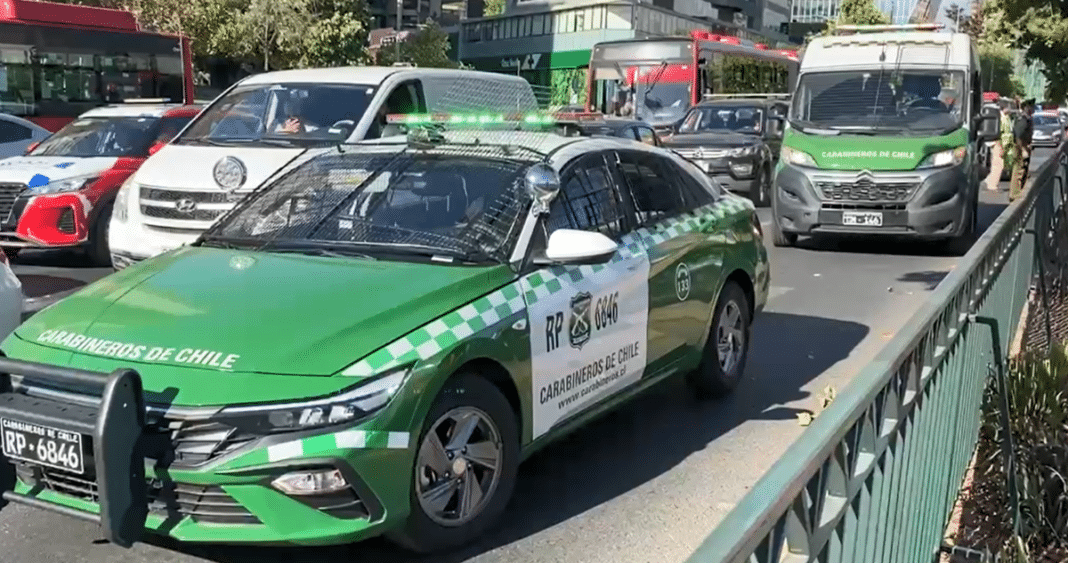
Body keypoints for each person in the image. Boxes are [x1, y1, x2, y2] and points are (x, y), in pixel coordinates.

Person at [1009, 98, 1035, 202]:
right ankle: (1015, 193)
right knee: (1018, 170)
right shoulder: (1023, 119)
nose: (1033, 109)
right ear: (1026, 107)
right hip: (1020, 146)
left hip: (1024, 145)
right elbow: (1019, 135)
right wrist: (1023, 149)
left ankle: (1018, 191)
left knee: (1022, 169)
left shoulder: (1026, 118)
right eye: (1031, 107)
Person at [986, 102, 1014, 191]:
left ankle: (990, 181)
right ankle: (992, 185)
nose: (1010, 110)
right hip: (999, 143)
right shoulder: (1001, 118)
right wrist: (1000, 145)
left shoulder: (1006, 117)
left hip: (1003, 143)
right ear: (1004, 108)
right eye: (1009, 108)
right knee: (998, 165)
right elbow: (998, 133)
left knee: (997, 164)